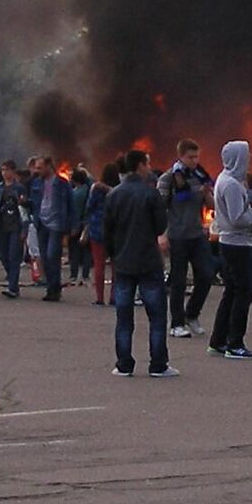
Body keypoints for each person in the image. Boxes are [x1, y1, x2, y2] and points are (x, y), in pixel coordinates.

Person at [105, 150, 174, 378]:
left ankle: (124, 364)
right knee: (156, 317)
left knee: (123, 318)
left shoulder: (114, 195)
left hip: (123, 263)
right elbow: (159, 226)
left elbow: (107, 231)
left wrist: (114, 254)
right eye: (148, 163)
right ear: (140, 166)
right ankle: (158, 365)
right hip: (148, 263)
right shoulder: (150, 194)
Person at [207, 141, 252, 360]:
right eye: (246, 155)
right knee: (243, 292)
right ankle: (235, 344)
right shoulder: (230, 185)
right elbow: (237, 218)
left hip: (230, 242)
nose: (248, 159)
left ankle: (218, 341)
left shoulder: (225, 180)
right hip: (237, 244)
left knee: (231, 292)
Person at [160, 139, 215, 339]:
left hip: (196, 233)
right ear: (181, 156)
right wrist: (162, 234)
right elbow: (161, 207)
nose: (194, 161)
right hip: (177, 235)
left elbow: (210, 205)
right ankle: (176, 323)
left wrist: (207, 193)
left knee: (207, 274)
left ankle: (192, 313)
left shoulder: (200, 177)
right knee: (178, 280)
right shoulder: (169, 178)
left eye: (196, 156)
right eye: (190, 157)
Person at [0, 161, 30, 297]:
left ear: (13, 171)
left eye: (7, 170)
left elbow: (24, 210)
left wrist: (25, 228)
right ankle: (11, 279)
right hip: (0, 226)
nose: (5, 173)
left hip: (15, 226)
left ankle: (13, 287)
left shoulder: (19, 188)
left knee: (14, 256)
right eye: (3, 170)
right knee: (3, 256)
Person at [34, 157, 72, 301]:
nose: (37, 171)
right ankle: (51, 288)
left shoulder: (62, 183)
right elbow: (35, 202)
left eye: (40, 168)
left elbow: (70, 204)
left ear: (49, 166)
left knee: (52, 256)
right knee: (45, 257)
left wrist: (73, 225)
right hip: (42, 223)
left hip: (57, 224)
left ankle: (55, 288)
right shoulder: (37, 183)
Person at [85, 164, 114, 305]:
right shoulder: (119, 190)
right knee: (116, 267)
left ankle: (100, 298)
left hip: (97, 230)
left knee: (99, 265)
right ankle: (114, 297)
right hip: (115, 231)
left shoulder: (96, 190)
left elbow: (89, 207)